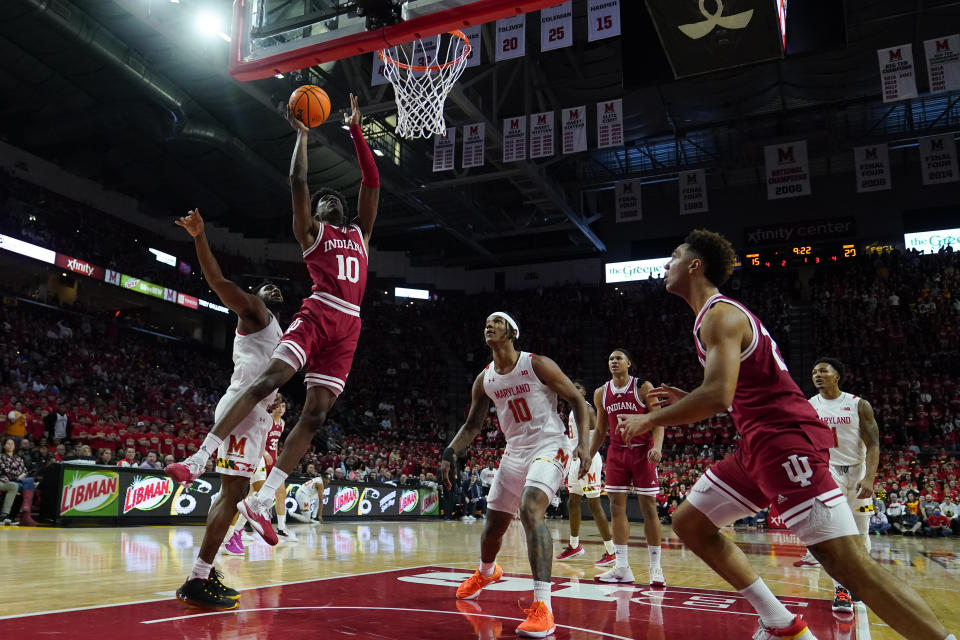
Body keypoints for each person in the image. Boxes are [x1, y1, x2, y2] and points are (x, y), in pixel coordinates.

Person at [617, 229, 954, 640]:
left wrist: (652, 419)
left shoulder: (721, 315)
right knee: (690, 523)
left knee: (847, 564)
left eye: (673, 255)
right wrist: (690, 398)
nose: (666, 265)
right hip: (757, 443)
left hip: (784, 441)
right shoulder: (711, 318)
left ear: (694, 265)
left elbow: (718, 395)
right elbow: (734, 397)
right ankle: (780, 622)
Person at [166, 94, 379, 547]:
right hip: (320, 312)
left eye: (333, 199)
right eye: (323, 202)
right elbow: (299, 182)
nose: (329, 200)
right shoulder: (311, 233)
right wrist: (302, 135)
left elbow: (372, 181)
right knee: (266, 381)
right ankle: (202, 456)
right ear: (315, 218)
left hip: (350, 326)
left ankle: (262, 502)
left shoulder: (360, 233)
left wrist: (358, 131)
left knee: (317, 414)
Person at [441, 312, 591, 638]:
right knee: (492, 528)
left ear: (511, 332)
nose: (489, 325)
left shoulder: (537, 364)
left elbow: (578, 400)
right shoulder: (485, 379)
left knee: (530, 509)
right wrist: (450, 452)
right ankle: (487, 572)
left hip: (550, 444)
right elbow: (472, 426)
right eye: (486, 323)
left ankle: (543, 607)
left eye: (496, 321)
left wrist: (585, 445)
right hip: (514, 452)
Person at [165, 208, 285, 611]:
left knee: (230, 494)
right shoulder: (254, 311)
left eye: (277, 289)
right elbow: (218, 281)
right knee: (233, 495)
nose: (273, 290)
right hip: (243, 410)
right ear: (256, 297)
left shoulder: (278, 331)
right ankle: (197, 579)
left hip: (250, 410)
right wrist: (200, 236)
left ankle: (202, 572)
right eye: (266, 287)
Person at [791, 358, 879, 614]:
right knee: (836, 533)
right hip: (828, 473)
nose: (816, 375)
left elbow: (873, 444)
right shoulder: (809, 406)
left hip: (858, 471)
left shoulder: (858, 405)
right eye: (813, 371)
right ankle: (840, 589)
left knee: (861, 533)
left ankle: (858, 583)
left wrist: (870, 478)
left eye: (822, 370)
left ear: (836, 376)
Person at [588, 351, 666, 586]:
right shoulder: (601, 393)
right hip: (617, 452)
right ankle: (622, 568)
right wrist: (588, 457)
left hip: (643, 451)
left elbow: (658, 420)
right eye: (610, 358)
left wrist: (658, 447)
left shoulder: (642, 387)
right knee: (616, 508)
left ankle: (656, 567)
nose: (613, 361)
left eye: (618, 358)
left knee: (648, 508)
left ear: (629, 363)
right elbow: (600, 429)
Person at [556, 381, 617, 568]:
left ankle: (611, 551)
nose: (573, 389)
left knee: (594, 503)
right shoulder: (573, 410)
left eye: (578, 387)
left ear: (584, 391)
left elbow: (600, 433)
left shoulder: (587, 409)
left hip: (588, 459)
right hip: (576, 460)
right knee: (572, 502)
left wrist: (586, 456)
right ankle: (574, 546)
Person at [0, 437, 36, 525]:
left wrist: (23, 474)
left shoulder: (19, 458)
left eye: (12, 443)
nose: (10, 445)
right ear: (4, 446)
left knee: (29, 480)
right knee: (28, 484)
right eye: (8, 443)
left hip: (19, 480)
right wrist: (18, 476)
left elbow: (25, 470)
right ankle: (26, 511)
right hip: (10, 480)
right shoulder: (1, 457)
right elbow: (6, 470)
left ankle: (25, 509)